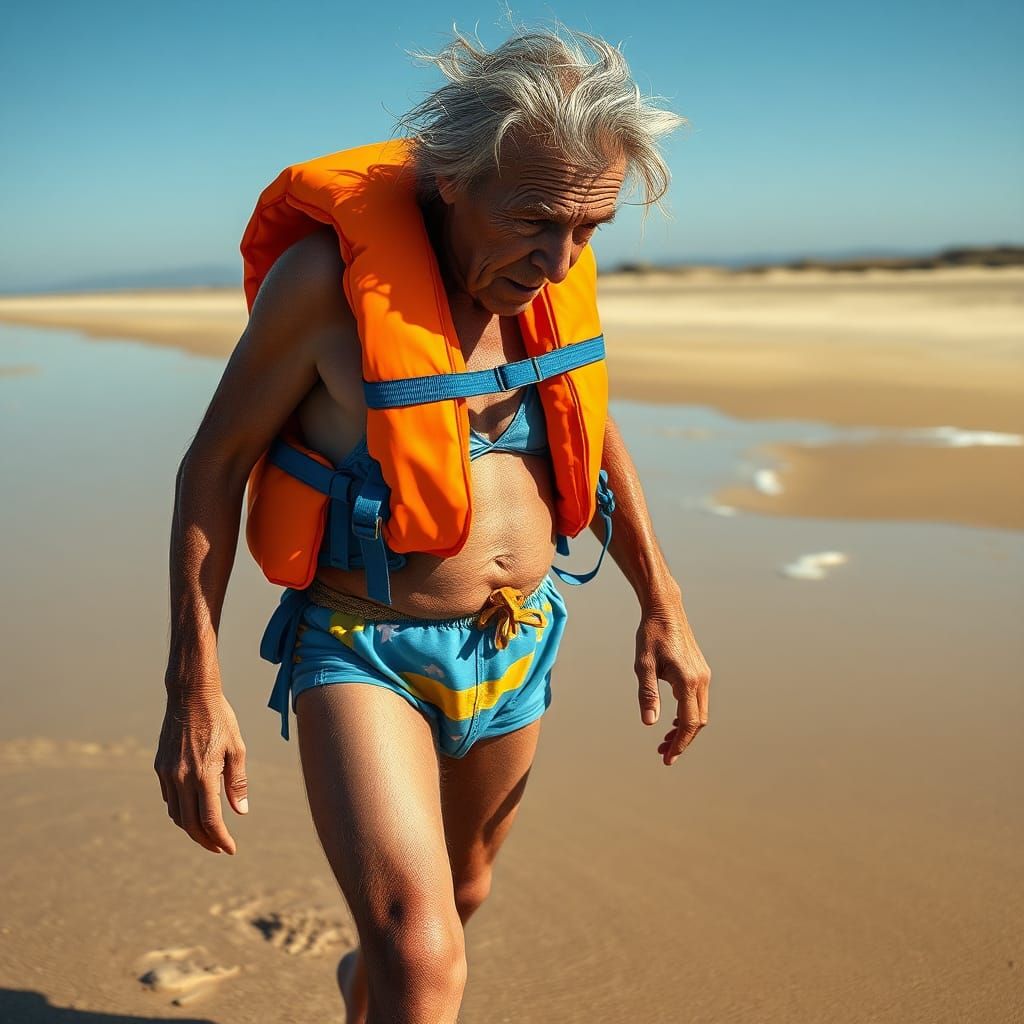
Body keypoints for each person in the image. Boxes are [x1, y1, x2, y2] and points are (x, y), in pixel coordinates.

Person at [155, 25, 711, 1024]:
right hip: (363, 647)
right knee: (421, 950)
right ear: (454, 179)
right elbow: (215, 464)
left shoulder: (553, 270)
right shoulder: (323, 287)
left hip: (517, 641)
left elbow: (589, 426)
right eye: (535, 219)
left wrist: (661, 601)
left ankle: (361, 991)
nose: (559, 256)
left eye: (588, 227)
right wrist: (195, 683)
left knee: (457, 901)